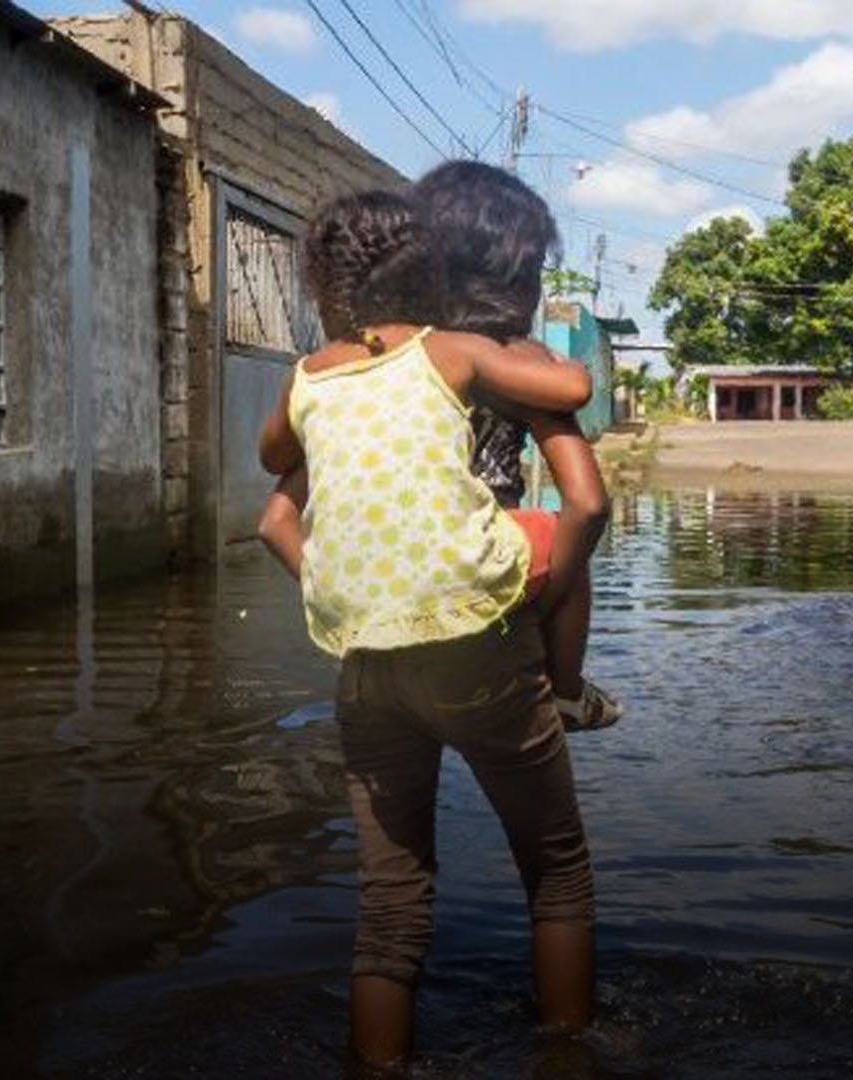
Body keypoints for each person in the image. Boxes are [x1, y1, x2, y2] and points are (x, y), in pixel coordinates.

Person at [256, 190, 598, 1068]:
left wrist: (341, 592)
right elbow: (584, 471)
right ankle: (566, 1054)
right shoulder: (455, 356)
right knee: (556, 871)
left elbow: (272, 507)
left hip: (366, 659)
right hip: (483, 650)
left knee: (390, 908)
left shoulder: (318, 384)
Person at [260, 161, 622, 732]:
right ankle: (570, 694)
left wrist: (336, 593)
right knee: (540, 819)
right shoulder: (518, 361)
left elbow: (275, 520)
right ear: (519, 279)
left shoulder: (365, 374)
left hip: (376, 624)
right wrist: (548, 598)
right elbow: (589, 504)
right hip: (492, 610)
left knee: (392, 813)